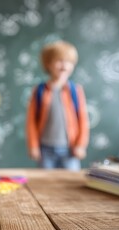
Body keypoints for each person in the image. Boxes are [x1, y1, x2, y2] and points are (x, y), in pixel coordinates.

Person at [26, 40, 89, 171]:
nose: (65, 66)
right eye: (59, 61)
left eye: (69, 62)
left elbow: (83, 120)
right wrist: (33, 146)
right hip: (45, 150)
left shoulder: (76, 91)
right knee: (45, 184)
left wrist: (81, 146)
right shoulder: (40, 91)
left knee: (70, 184)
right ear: (48, 64)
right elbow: (31, 122)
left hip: (70, 151)